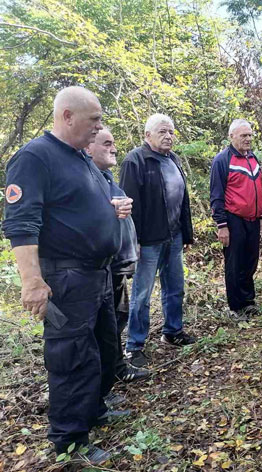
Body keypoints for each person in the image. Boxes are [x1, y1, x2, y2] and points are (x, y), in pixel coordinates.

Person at [2, 87, 131, 464]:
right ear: (67, 116)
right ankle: (69, 441)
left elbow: (76, 207)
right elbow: (21, 224)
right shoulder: (34, 158)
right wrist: (32, 282)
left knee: (103, 346)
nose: (99, 127)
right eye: (94, 120)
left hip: (97, 273)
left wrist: (111, 210)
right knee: (71, 356)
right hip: (67, 278)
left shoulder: (81, 159)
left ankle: (94, 411)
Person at [119, 113, 196, 368]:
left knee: (175, 286)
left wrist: (186, 233)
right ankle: (134, 346)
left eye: (171, 132)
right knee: (142, 294)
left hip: (173, 236)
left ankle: (172, 331)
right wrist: (134, 240)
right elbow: (129, 205)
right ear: (147, 135)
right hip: (148, 240)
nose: (168, 136)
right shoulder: (135, 161)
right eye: (162, 131)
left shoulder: (172, 159)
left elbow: (182, 199)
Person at [85, 127, 151, 402]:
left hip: (119, 265)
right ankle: (101, 385)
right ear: (88, 148)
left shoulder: (106, 178)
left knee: (116, 320)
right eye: (107, 143)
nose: (113, 148)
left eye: (113, 143)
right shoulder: (86, 181)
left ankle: (115, 371)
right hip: (102, 268)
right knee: (102, 329)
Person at [210, 119, 262, 320]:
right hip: (233, 219)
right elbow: (216, 194)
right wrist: (221, 224)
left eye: (250, 135)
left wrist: (261, 215)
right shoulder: (222, 160)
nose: (248, 139)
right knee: (235, 263)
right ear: (231, 136)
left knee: (251, 260)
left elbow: (258, 189)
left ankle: (248, 301)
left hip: (253, 219)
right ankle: (236, 306)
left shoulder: (253, 158)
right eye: (243, 135)